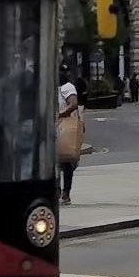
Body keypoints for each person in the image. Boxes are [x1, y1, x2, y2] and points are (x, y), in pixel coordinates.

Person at [57, 71, 81, 205]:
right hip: (55, 127)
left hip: (65, 127)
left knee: (65, 162)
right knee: (54, 163)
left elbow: (73, 104)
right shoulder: (55, 87)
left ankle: (66, 193)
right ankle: (58, 192)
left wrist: (61, 114)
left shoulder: (67, 87)